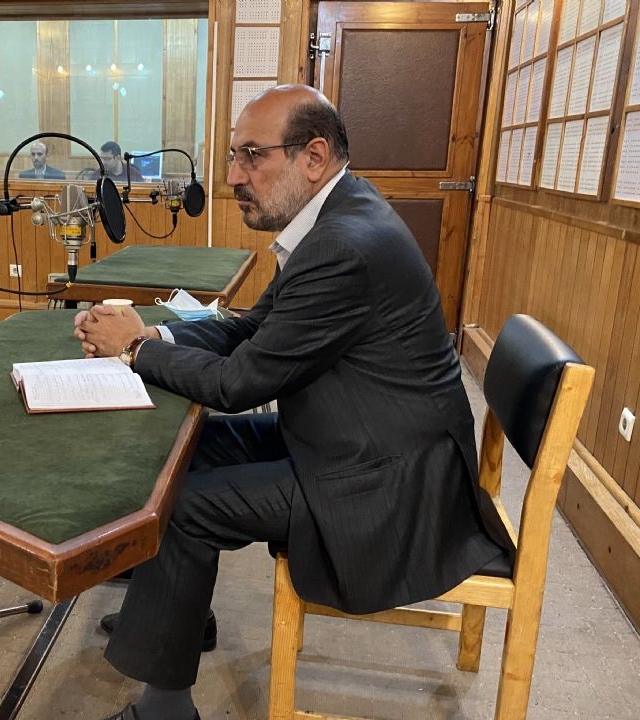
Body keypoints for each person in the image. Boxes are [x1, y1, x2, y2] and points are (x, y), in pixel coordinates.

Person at [74, 85, 512, 720]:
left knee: (187, 505)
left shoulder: (343, 244)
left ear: (313, 156)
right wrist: (153, 334)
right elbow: (256, 327)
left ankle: (165, 712)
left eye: (252, 155)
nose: (233, 176)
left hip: (388, 485)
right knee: (184, 451)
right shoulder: (336, 214)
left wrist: (135, 350)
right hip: (356, 437)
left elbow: (238, 384)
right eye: (233, 156)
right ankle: (178, 616)